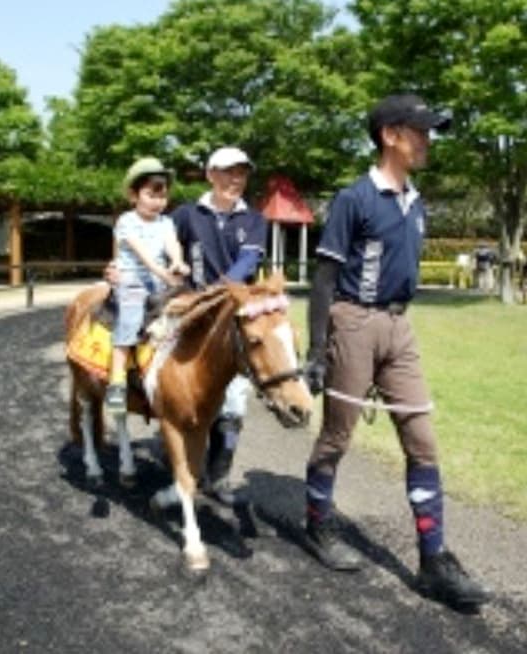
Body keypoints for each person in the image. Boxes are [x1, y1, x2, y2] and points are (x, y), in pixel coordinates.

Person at [302, 93, 490, 608]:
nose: (428, 140)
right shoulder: (354, 199)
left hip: (400, 329)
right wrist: (318, 349)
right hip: (354, 321)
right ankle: (318, 525)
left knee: (422, 439)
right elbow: (325, 278)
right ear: (391, 135)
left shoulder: (416, 200)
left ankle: (433, 559)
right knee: (337, 436)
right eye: (421, 130)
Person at [109, 146, 268, 505]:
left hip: (232, 321)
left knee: (234, 404)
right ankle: (159, 432)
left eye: (242, 173)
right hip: (188, 315)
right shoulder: (184, 215)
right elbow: (156, 246)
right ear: (211, 174)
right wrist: (117, 268)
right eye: (228, 172)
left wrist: (215, 295)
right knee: (174, 381)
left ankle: (218, 477)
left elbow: (247, 264)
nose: (235, 179)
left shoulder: (255, 221)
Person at [105, 157, 188, 415]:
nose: (158, 202)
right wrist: (163, 272)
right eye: (151, 195)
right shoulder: (126, 221)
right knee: (130, 316)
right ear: (134, 195)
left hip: (159, 281)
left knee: (185, 312)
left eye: (162, 196)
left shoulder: (166, 222)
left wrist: (177, 261)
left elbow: (172, 243)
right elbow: (143, 255)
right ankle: (117, 381)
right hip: (132, 280)